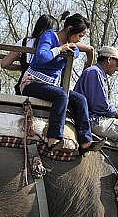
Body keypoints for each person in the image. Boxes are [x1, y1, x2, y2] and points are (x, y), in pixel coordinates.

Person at [20, 12, 95, 151]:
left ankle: (86, 142)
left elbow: (76, 52)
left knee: (80, 99)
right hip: (31, 83)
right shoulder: (49, 36)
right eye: (79, 36)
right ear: (69, 29)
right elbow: (42, 56)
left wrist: (73, 50)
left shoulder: (70, 44)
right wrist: (59, 50)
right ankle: (53, 138)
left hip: (50, 86)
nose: (79, 40)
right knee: (62, 96)